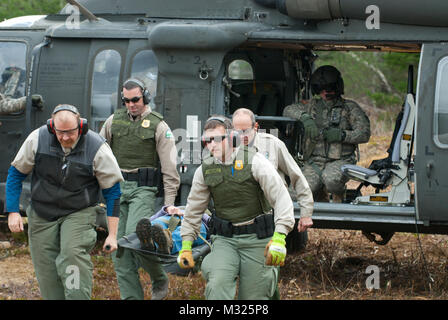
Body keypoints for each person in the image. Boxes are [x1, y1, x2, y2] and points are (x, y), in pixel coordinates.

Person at [5, 104, 123, 300]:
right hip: (42, 210)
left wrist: (112, 234)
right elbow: (16, 173)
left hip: (78, 211)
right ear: (52, 127)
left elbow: (113, 191)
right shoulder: (37, 139)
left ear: (81, 127)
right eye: (60, 132)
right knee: (46, 270)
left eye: (71, 132)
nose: (66, 137)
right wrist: (13, 211)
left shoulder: (97, 147)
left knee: (71, 256)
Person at [178, 115, 295, 300]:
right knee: (217, 286)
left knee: (254, 297)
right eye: (207, 141)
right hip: (225, 240)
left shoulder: (256, 162)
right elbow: (193, 209)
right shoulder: (205, 170)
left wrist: (280, 236)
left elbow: (281, 199)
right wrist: (186, 244)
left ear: (233, 138)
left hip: (258, 239)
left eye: (217, 139)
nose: (212, 145)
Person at [100, 78, 180, 300]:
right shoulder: (112, 121)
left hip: (143, 188)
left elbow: (170, 168)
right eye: (126, 101)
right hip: (117, 188)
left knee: (135, 237)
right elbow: (98, 152)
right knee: (119, 250)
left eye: (135, 99)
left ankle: (159, 277)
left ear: (145, 96)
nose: (131, 104)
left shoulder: (159, 125)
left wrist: (169, 203)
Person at [283, 65, 371, 202]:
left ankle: (339, 195)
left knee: (331, 181)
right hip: (314, 161)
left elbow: (364, 133)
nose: (325, 93)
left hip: (341, 160)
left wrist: (342, 135)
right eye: (321, 90)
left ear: (337, 88)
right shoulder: (311, 106)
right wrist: (305, 117)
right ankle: (319, 194)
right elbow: (288, 110)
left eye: (329, 89)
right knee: (294, 195)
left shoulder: (349, 108)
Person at [232, 108, 314, 232]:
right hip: (241, 213)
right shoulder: (227, 149)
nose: (242, 136)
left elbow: (296, 176)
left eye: (245, 131)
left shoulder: (272, 144)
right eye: (237, 132)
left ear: (256, 127)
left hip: (272, 212)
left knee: (273, 249)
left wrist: (306, 213)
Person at [136, 206, 210, 255]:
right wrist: (166, 209)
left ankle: (168, 244)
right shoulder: (181, 207)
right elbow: (152, 219)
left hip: (196, 221)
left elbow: (211, 222)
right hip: (174, 216)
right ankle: (149, 242)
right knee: (156, 223)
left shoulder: (205, 213)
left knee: (187, 231)